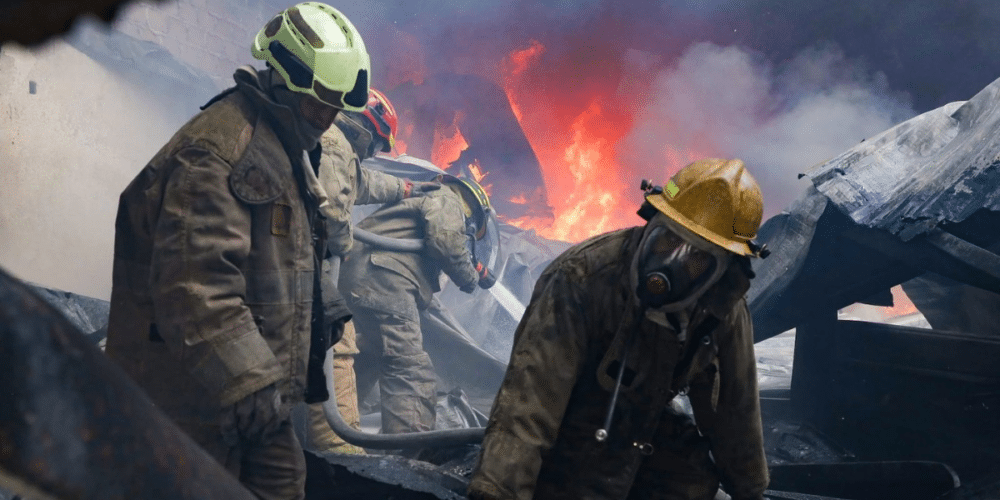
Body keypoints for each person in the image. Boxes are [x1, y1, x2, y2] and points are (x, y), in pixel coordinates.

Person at [105, 4, 371, 498]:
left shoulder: (280, 145)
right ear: (285, 81)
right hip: (190, 403)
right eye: (319, 105)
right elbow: (197, 288)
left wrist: (324, 303)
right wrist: (255, 388)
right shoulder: (219, 153)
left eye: (336, 107)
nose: (328, 118)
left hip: (236, 404)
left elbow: (282, 245)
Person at [468, 158, 771, 500]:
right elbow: (529, 402)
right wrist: (496, 491)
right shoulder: (582, 277)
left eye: (696, 259)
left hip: (647, 421)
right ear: (649, 222)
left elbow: (736, 411)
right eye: (667, 242)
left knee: (693, 476)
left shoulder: (722, 305)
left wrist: (751, 491)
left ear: (724, 268)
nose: (671, 266)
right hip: (571, 419)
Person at [304, 87, 433, 454]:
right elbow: (331, 213)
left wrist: (407, 189)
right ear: (364, 126)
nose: (374, 154)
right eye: (377, 144)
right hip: (295, 263)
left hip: (300, 262)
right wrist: (343, 245)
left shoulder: (333, 145)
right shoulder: (333, 144)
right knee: (336, 341)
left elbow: (362, 182)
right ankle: (339, 453)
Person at [338, 174, 497, 435]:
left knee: (370, 356)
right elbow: (446, 242)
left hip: (357, 274)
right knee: (410, 368)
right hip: (385, 277)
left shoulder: (422, 200)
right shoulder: (448, 199)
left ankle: (342, 426)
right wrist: (469, 278)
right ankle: (409, 451)